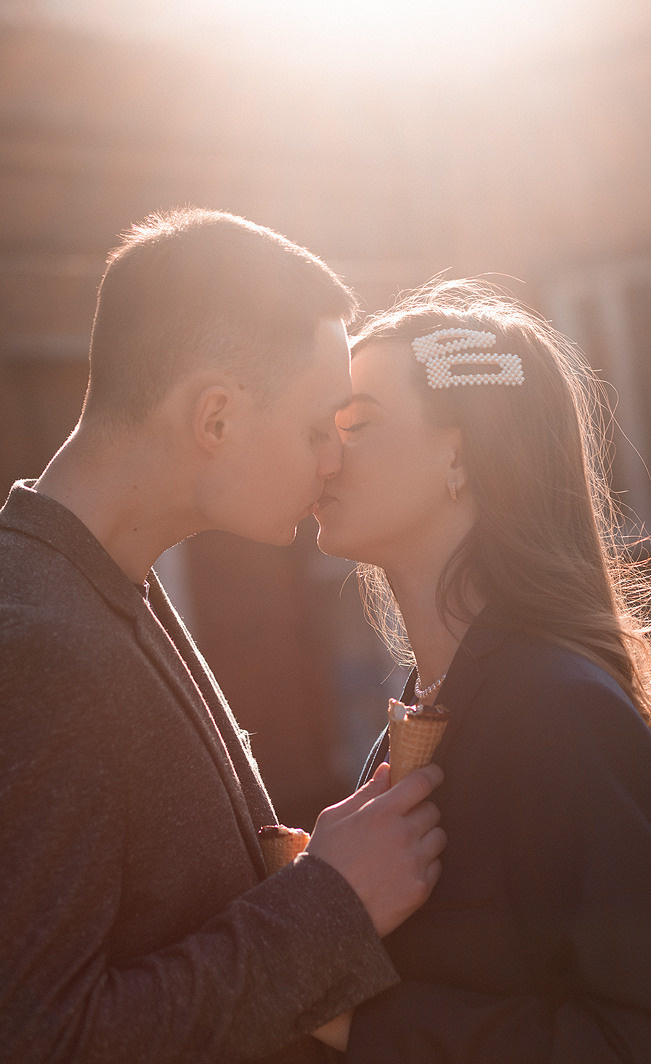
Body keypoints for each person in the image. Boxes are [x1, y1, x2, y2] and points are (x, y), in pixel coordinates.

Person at [0, 208, 446, 1063]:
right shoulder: (34, 646)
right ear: (215, 418)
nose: (333, 462)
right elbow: (42, 1039)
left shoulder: (106, 589)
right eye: (319, 429)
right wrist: (332, 902)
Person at [313, 278, 651, 1062]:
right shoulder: (419, 720)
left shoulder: (563, 715)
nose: (323, 453)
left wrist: (364, 1026)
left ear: (457, 454)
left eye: (358, 424)